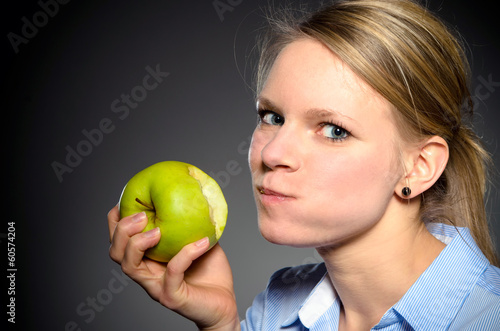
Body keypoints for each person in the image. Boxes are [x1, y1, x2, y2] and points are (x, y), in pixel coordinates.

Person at [107, 0, 500, 330]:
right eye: (272, 117)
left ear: (418, 167)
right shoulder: (276, 309)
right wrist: (221, 324)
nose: (273, 153)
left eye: (333, 130)